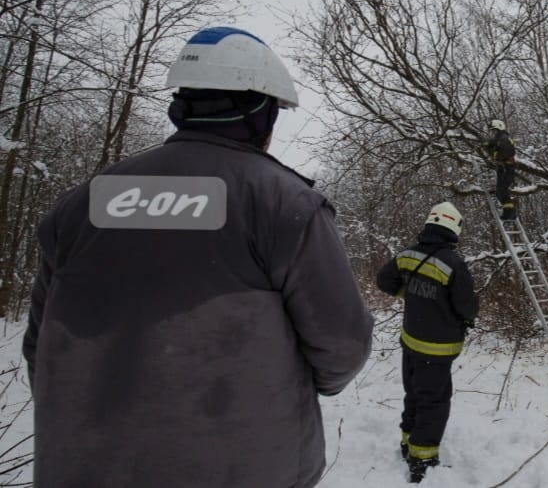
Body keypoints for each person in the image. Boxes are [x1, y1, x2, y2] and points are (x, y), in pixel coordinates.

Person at [21, 26, 375, 488]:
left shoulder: (80, 204)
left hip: (88, 467)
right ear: (259, 111)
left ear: (181, 107)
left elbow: (39, 350)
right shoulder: (284, 205)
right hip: (242, 469)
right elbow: (342, 345)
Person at [377, 201, 479, 483]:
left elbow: (384, 281)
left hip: (410, 341)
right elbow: (467, 306)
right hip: (438, 348)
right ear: (454, 229)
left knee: (414, 393)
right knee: (434, 401)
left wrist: (409, 294)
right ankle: (422, 459)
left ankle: (407, 441)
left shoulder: (408, 254)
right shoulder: (453, 264)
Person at [481, 119, 517, 219]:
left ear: (499, 129)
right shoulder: (500, 138)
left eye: (494, 131)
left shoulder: (504, 139)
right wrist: (486, 144)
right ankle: (510, 212)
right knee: (500, 190)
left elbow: (505, 152)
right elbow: (493, 143)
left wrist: (495, 154)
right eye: (492, 131)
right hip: (504, 167)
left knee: (502, 190)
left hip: (507, 167)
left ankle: (509, 213)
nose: (493, 133)